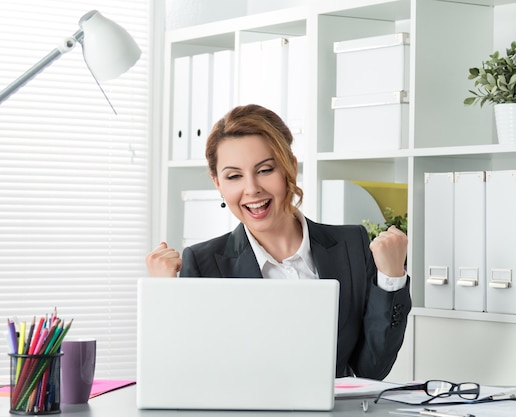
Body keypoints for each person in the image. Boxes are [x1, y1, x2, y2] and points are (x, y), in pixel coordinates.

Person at [146, 104, 411, 380]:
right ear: (218, 183)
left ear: (290, 168)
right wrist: (162, 295)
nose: (252, 189)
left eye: (265, 170)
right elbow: (185, 374)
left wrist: (391, 278)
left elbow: (372, 370)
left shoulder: (351, 244)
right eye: (234, 176)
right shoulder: (202, 264)